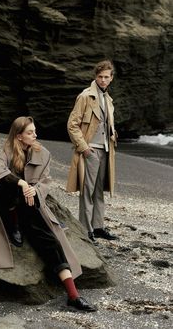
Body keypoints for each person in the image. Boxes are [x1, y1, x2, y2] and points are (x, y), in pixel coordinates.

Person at [0, 116, 97, 312]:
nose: (35, 135)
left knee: (50, 241)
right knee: (7, 187)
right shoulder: (8, 151)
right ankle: (13, 223)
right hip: (6, 202)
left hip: (30, 203)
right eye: (30, 132)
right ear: (18, 136)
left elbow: (45, 181)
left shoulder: (43, 154)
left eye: (34, 131)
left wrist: (34, 190)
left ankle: (73, 296)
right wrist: (22, 183)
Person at [66, 60, 118, 242]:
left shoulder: (108, 99)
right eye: (100, 77)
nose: (103, 80)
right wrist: (84, 148)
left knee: (98, 192)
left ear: (111, 79)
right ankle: (85, 229)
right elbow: (72, 125)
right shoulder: (85, 96)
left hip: (105, 150)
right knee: (87, 191)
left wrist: (113, 136)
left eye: (106, 77)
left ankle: (98, 227)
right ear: (95, 77)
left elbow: (106, 124)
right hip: (90, 150)